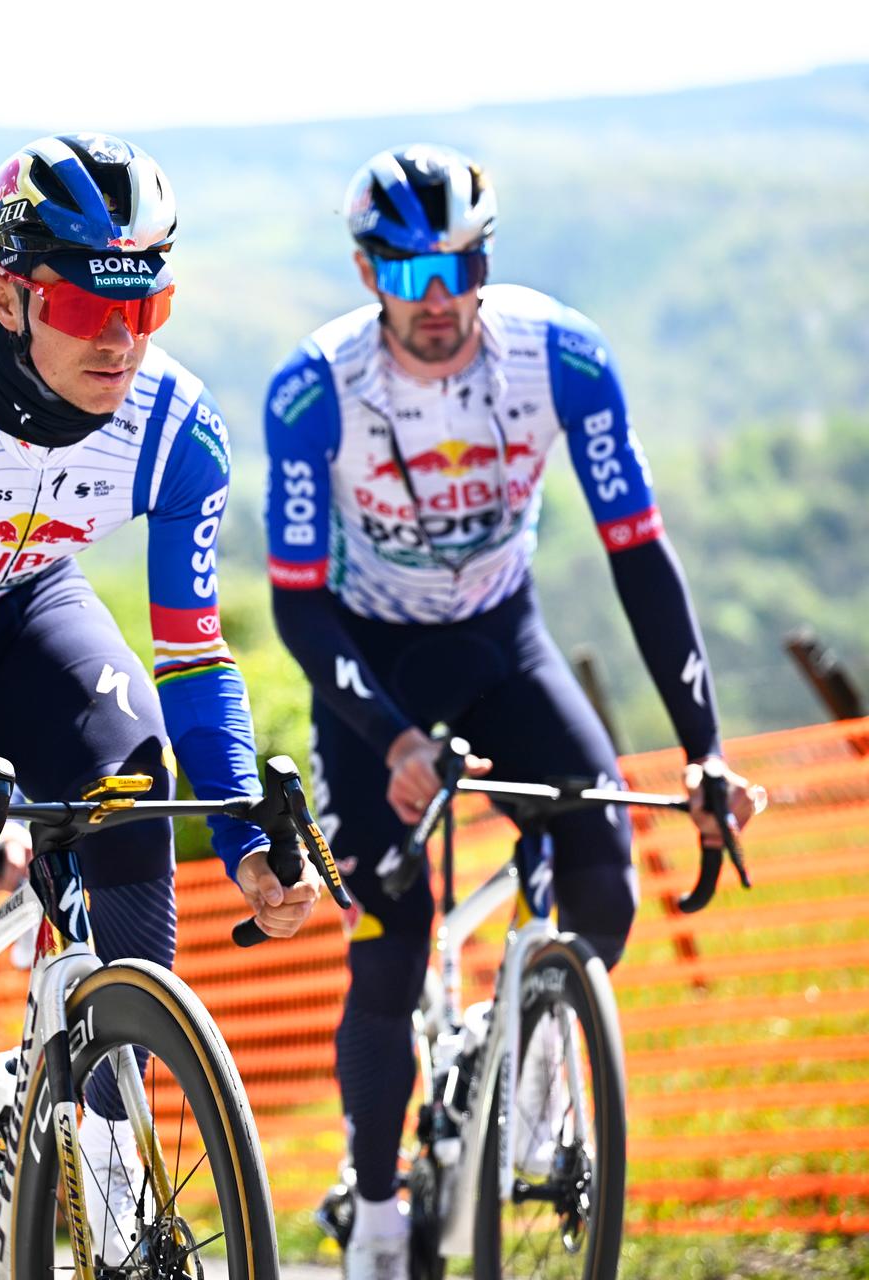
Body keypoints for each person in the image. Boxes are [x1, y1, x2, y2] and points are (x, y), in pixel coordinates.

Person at [0, 133, 318, 1278]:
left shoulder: (178, 427)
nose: (123, 340)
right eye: (88, 305)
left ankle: (113, 1152)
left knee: (136, 777)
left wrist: (242, 837)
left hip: (28, 606)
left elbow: (192, 657)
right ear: (10, 296)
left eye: (151, 303)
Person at [261, 143, 764, 1279]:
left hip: (503, 637)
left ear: (487, 262)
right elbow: (297, 610)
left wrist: (704, 752)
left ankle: (533, 1050)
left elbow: (638, 555)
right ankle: (381, 1214)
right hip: (371, 661)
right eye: (407, 274)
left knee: (601, 874)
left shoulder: (562, 357)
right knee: (390, 943)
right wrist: (389, 738)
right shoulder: (314, 390)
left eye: (461, 267)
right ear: (364, 271)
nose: (437, 303)